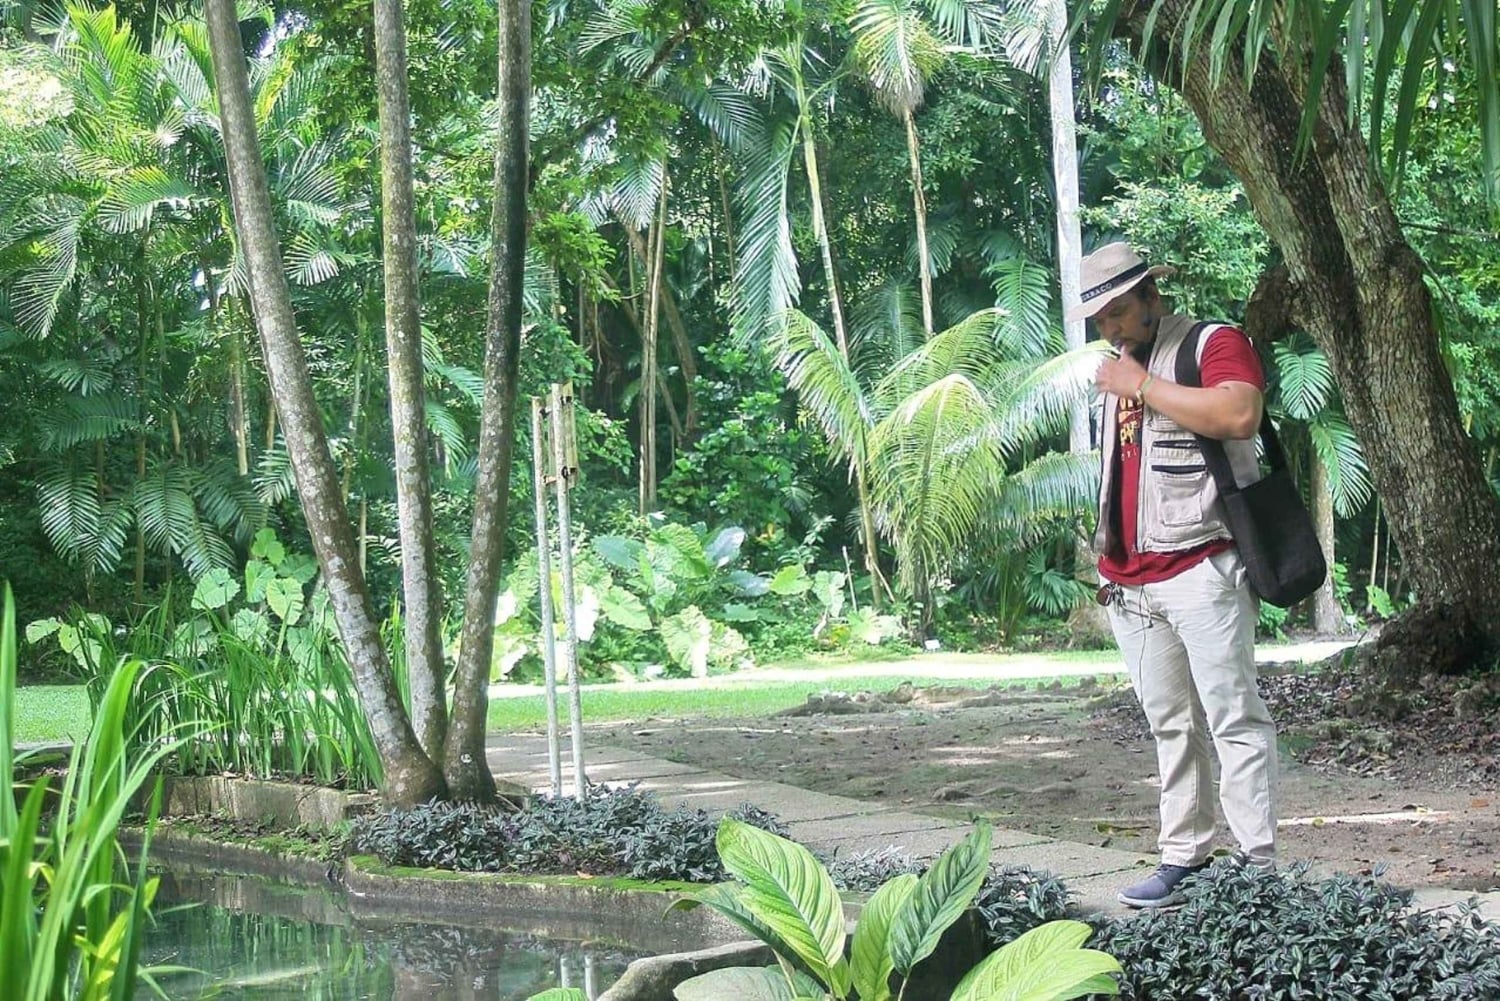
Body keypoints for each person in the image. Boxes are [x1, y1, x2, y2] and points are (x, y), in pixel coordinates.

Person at [1069, 242, 1279, 909]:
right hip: (1128, 581)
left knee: (1234, 718)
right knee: (1170, 723)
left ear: (1152, 295)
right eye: (1100, 319)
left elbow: (1239, 414)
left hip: (1203, 565)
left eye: (1120, 312)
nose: (1111, 328)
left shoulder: (1213, 343)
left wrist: (1144, 387)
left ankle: (1257, 866)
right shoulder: (1114, 368)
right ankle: (1184, 854)